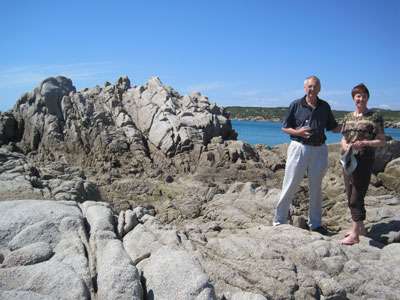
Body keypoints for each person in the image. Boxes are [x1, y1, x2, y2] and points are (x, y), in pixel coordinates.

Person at [273, 75, 341, 234]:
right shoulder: (296, 104)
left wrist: (350, 126)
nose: (312, 89)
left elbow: (333, 127)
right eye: (310, 86)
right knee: (290, 184)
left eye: (316, 86)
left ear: (320, 89)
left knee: (316, 188)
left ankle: (316, 224)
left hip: (319, 148)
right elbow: (285, 127)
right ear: (305, 88)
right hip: (299, 147)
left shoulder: (324, 106)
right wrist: (298, 132)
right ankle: (279, 220)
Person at [338, 83, 386, 245]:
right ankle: (360, 228)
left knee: (356, 195)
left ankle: (355, 235)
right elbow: (344, 137)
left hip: (364, 158)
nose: (361, 98)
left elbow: (381, 140)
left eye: (364, 96)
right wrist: (345, 145)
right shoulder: (348, 117)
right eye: (358, 96)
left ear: (367, 98)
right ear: (353, 98)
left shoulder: (374, 116)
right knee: (350, 191)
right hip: (348, 157)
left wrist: (365, 142)